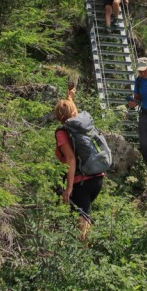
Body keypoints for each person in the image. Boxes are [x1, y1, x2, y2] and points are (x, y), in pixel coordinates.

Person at [54, 81, 104, 241]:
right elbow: (71, 111)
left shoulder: (62, 133)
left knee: (82, 220)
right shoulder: (81, 124)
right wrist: (70, 96)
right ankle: (82, 249)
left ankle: (83, 256)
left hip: (80, 182)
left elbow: (70, 160)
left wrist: (68, 188)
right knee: (83, 215)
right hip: (97, 177)